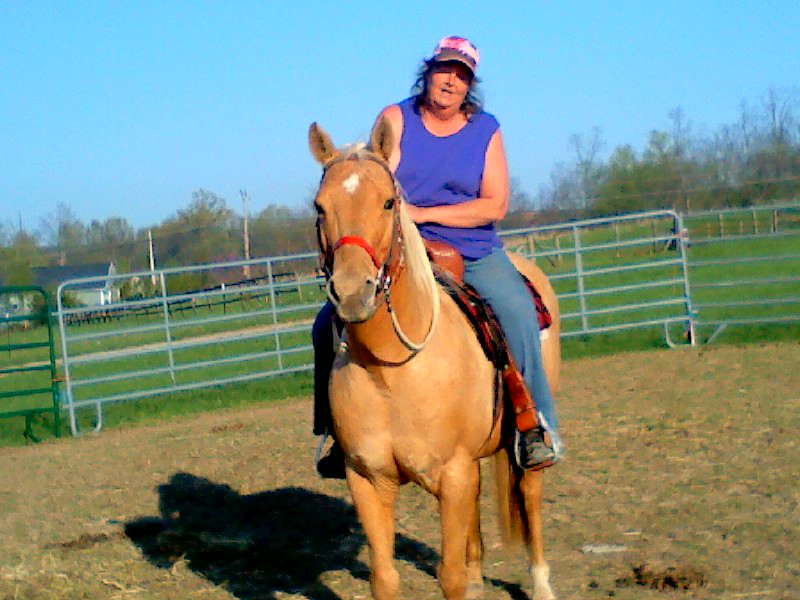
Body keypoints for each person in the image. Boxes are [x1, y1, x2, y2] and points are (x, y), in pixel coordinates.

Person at [313, 35, 563, 478]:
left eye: (461, 75)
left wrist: (426, 213)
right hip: (404, 246)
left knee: (518, 312)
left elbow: (495, 205)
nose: (451, 81)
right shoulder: (396, 119)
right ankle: (336, 431)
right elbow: (376, 179)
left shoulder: (486, 130)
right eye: (444, 69)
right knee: (324, 325)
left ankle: (534, 423)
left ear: (470, 85)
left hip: (473, 248)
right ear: (428, 72)